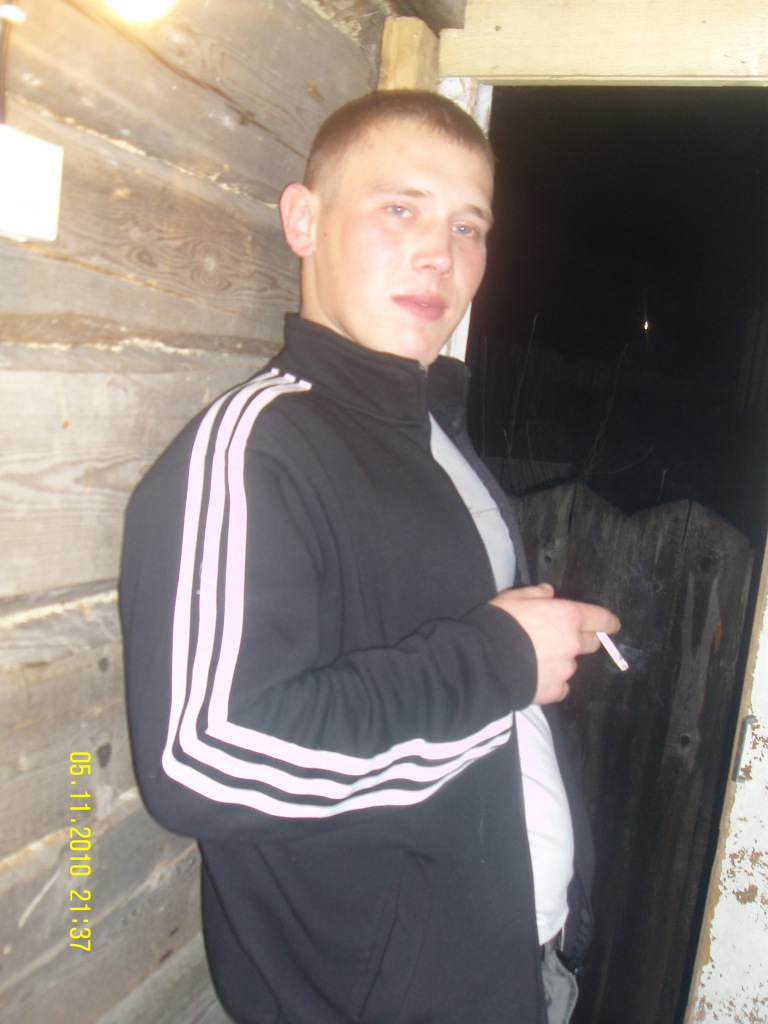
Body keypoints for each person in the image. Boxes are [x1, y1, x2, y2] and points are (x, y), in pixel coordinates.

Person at [119, 89, 620, 1024]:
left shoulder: (434, 432)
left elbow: (449, 688)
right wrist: (500, 661)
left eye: (469, 226)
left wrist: (512, 656)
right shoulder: (256, 452)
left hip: (519, 969)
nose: (441, 255)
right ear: (304, 221)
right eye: (400, 209)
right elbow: (204, 760)